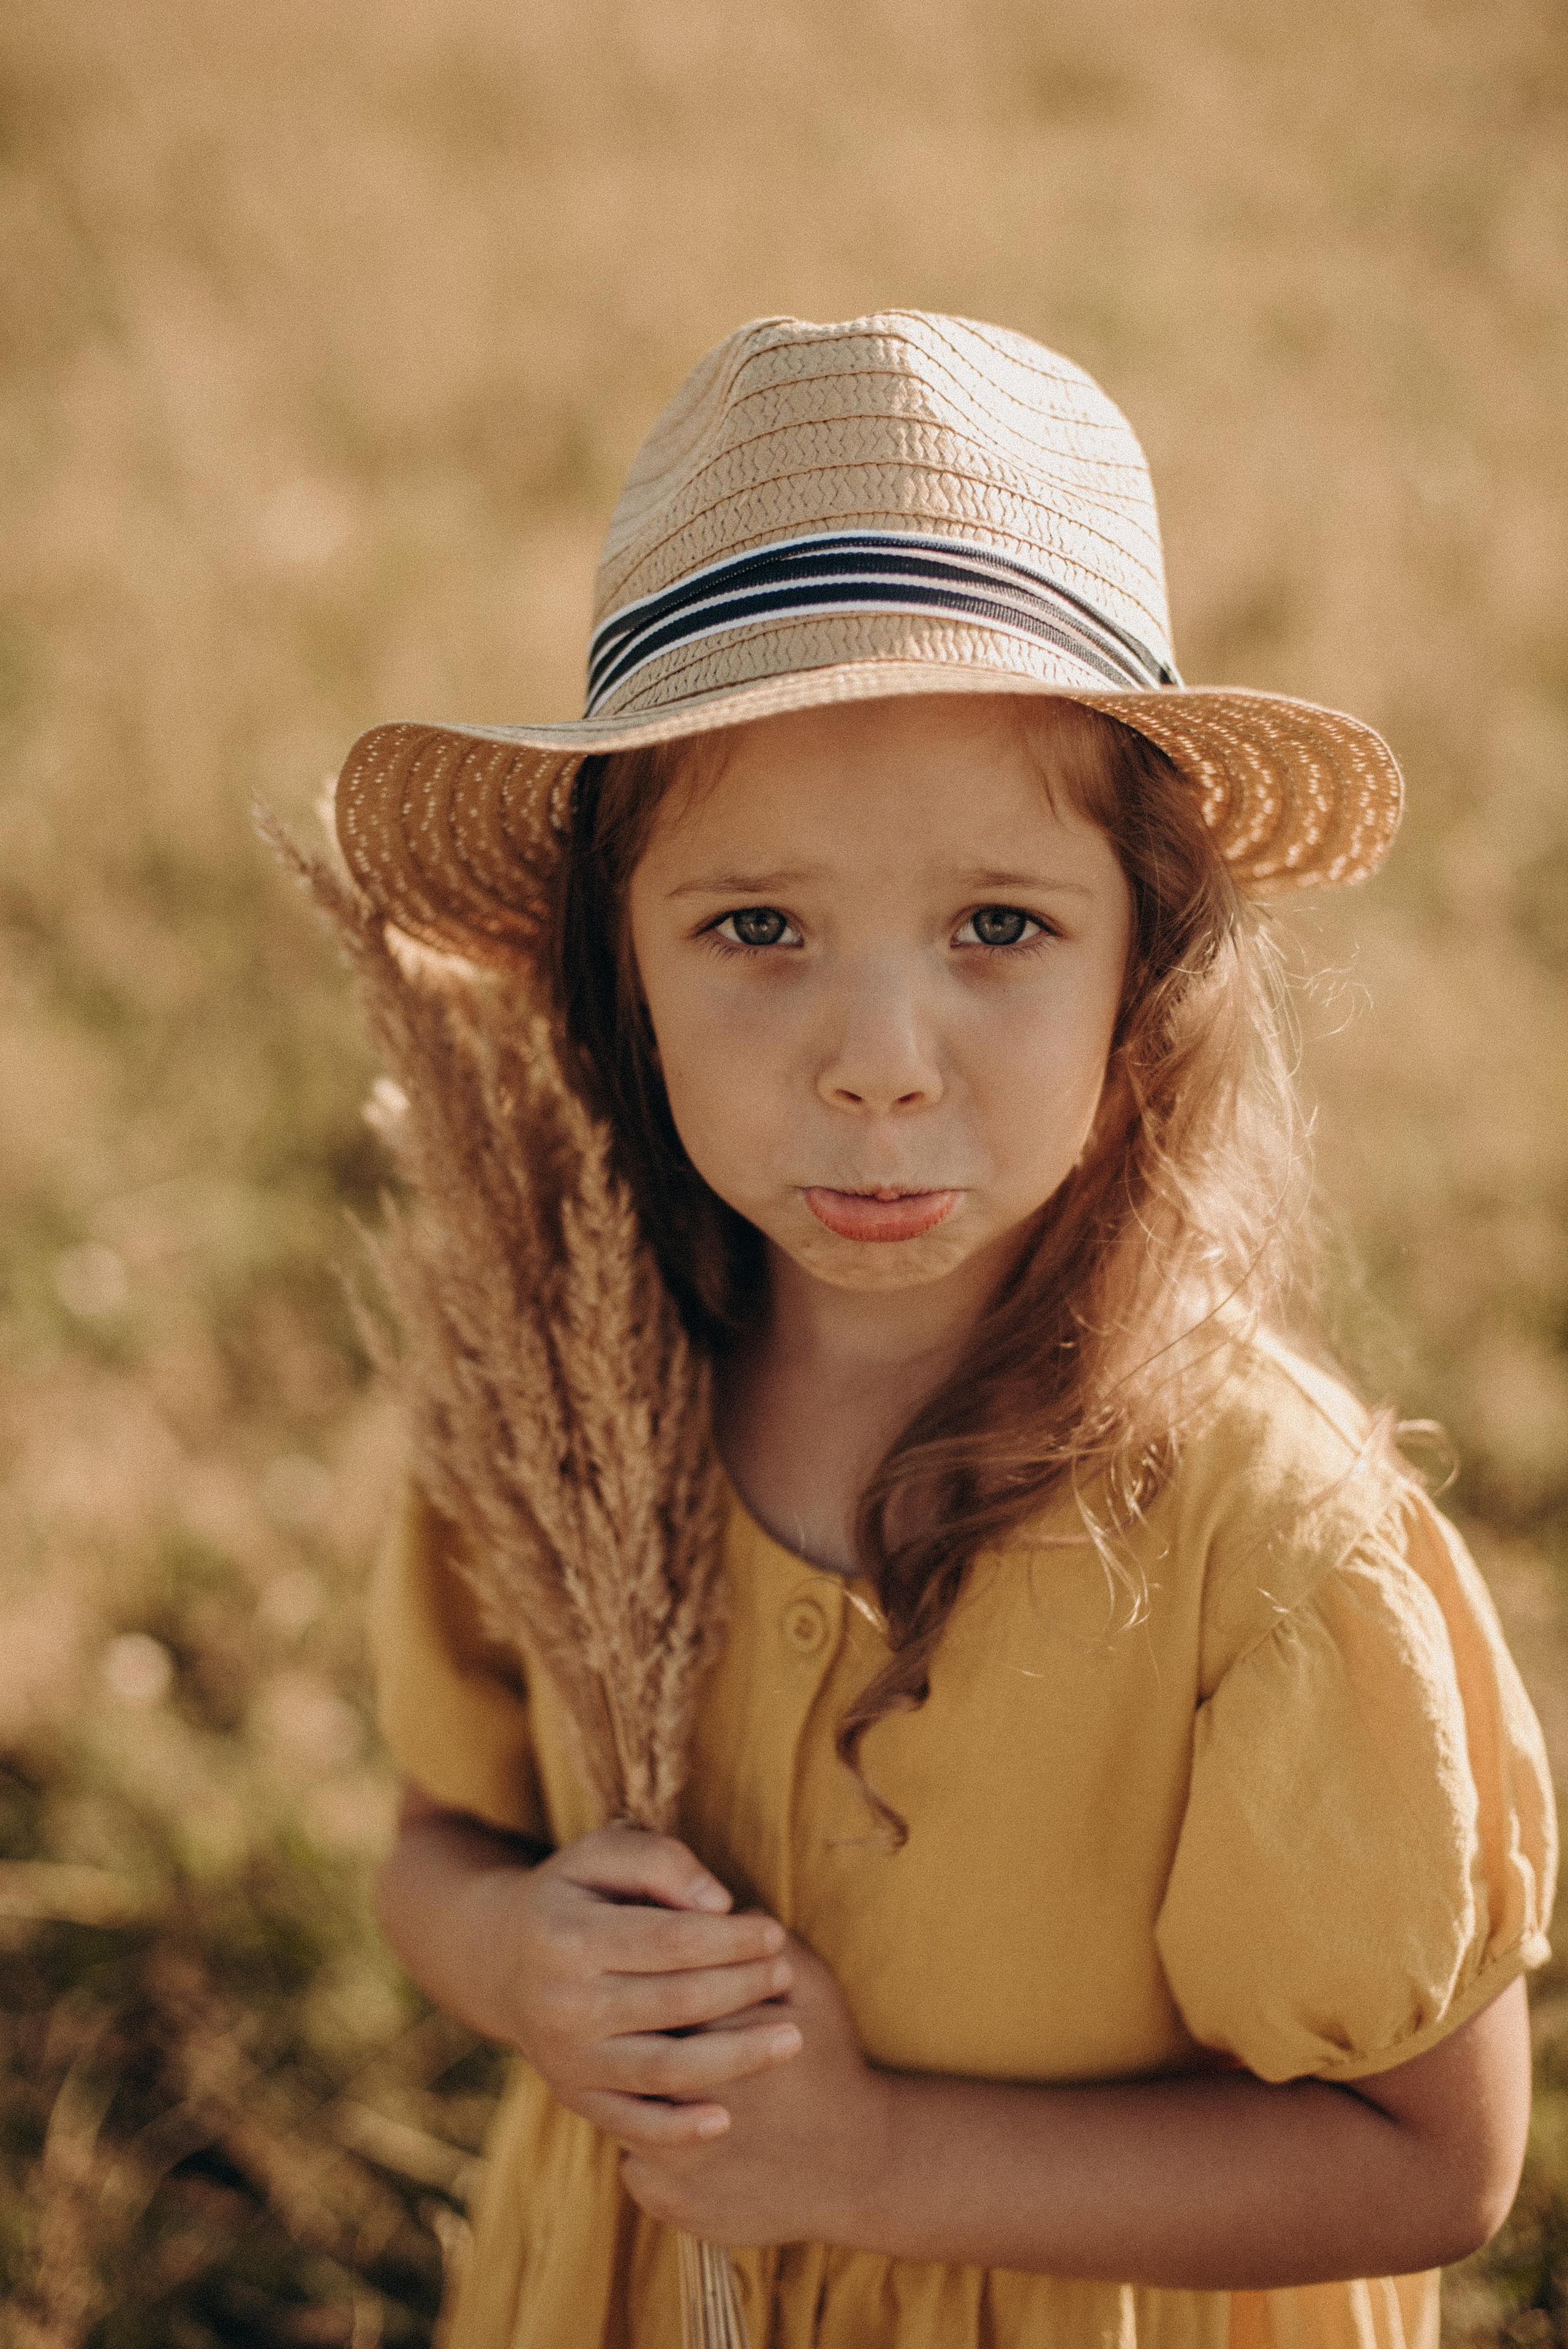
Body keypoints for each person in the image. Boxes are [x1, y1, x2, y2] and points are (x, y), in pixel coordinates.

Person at [328, 314, 1556, 2348]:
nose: (880, 1064)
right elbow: (436, 1839)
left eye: (1000, 926)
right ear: (613, 971)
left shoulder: (1265, 1541)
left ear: (1143, 962)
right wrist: (517, 1955)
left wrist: (876, 2157)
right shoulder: (555, 1398)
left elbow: (1439, 2157)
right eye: (757, 929)